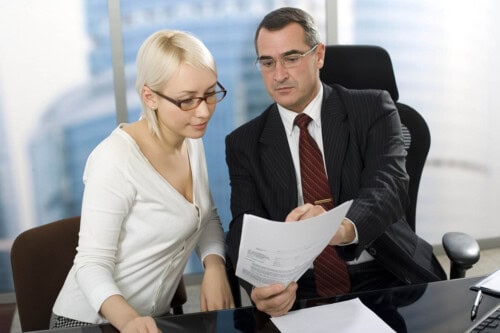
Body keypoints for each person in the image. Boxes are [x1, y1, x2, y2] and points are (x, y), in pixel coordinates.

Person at [225, 7, 446, 317]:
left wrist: (338, 228)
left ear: (319, 56)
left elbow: (390, 187)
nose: (279, 75)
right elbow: (243, 225)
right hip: (299, 285)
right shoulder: (243, 143)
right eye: (267, 62)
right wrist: (259, 284)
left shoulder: (373, 108)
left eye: (291, 58)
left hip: (384, 271)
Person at [51, 30, 234, 332]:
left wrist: (214, 265)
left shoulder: (190, 140)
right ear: (149, 96)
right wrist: (129, 321)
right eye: (187, 100)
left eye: (210, 93)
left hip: (152, 320)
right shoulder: (114, 159)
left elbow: (206, 216)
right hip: (88, 322)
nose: (203, 111)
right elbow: (90, 265)